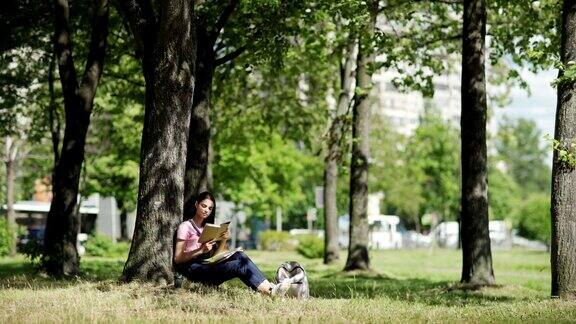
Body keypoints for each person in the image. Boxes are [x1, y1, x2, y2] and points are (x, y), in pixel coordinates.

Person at [174, 191, 289, 296]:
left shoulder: (208, 228)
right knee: (239, 266)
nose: (206, 210)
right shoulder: (185, 227)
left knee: (240, 256)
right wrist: (200, 251)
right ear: (196, 204)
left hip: (206, 265)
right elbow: (178, 258)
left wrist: (224, 239)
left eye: (210, 208)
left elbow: (214, 256)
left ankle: (271, 288)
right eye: (203, 206)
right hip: (192, 270)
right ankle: (270, 291)